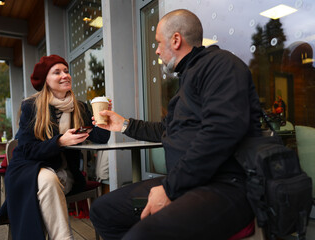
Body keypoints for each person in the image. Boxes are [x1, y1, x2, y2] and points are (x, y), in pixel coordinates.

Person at [89, 9, 262, 240]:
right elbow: (166, 130)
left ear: (176, 40)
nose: (158, 50)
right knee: (103, 210)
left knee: (141, 236)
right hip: (186, 182)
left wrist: (170, 188)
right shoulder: (186, 79)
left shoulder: (220, 65)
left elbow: (221, 131)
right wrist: (124, 125)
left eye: (159, 43)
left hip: (225, 186)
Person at [0, 55, 110, 240]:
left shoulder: (80, 107)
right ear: (45, 80)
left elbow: (101, 139)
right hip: (28, 169)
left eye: (66, 71)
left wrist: (104, 118)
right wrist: (60, 141)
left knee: (46, 185)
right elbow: (27, 150)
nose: (65, 75)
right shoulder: (32, 106)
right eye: (57, 72)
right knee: (47, 180)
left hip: (64, 173)